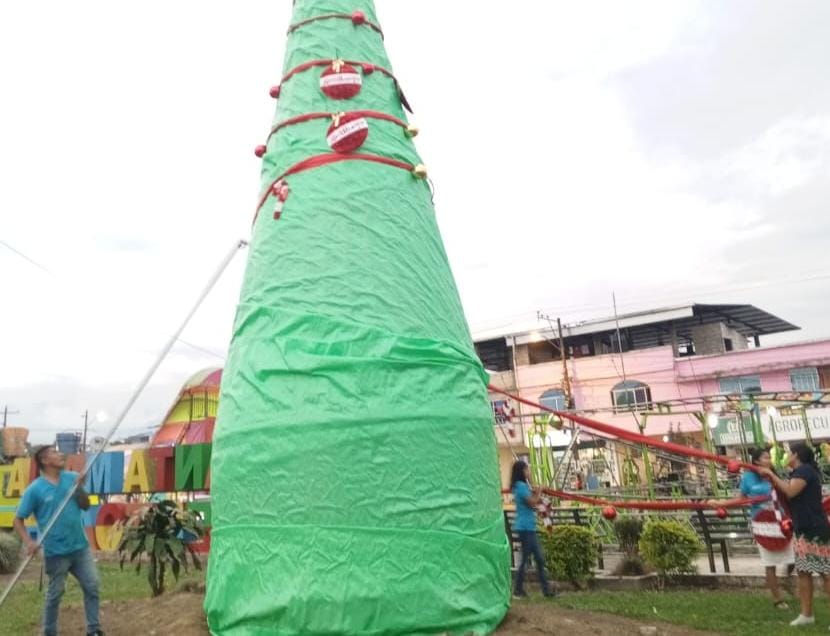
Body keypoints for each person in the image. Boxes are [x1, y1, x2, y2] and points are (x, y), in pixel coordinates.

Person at [13, 446, 104, 636]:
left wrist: (79, 488)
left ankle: (94, 630)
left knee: (92, 586)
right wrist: (29, 542)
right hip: (56, 552)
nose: (60, 454)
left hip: (80, 547)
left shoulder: (71, 478)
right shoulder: (35, 489)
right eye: (54, 453)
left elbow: (85, 506)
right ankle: (49, 632)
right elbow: (18, 519)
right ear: (44, 460)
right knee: (55, 595)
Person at [757, 443, 830, 628]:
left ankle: (808, 614)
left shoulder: (804, 471)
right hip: (803, 527)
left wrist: (771, 474)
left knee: (825, 572)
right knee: (804, 572)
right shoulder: (798, 472)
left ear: (796, 455)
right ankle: (806, 615)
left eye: (789, 453)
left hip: (814, 529)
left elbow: (790, 491)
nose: (786, 456)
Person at [714, 448, 794, 608]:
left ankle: (787, 579)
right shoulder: (748, 477)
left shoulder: (773, 474)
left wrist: (772, 475)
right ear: (756, 461)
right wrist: (721, 503)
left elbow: (787, 491)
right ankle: (777, 599)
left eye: (769, 457)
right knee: (769, 562)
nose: (768, 460)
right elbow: (741, 498)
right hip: (762, 523)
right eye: (765, 457)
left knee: (793, 558)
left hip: (781, 521)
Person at [510, 460, 555, 598]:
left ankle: (545, 590)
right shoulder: (521, 487)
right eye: (527, 470)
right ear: (521, 471)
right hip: (525, 528)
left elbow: (533, 494)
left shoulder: (522, 486)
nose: (529, 472)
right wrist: (540, 490)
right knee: (527, 560)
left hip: (528, 527)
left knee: (538, 559)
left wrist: (534, 484)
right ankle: (519, 590)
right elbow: (533, 502)